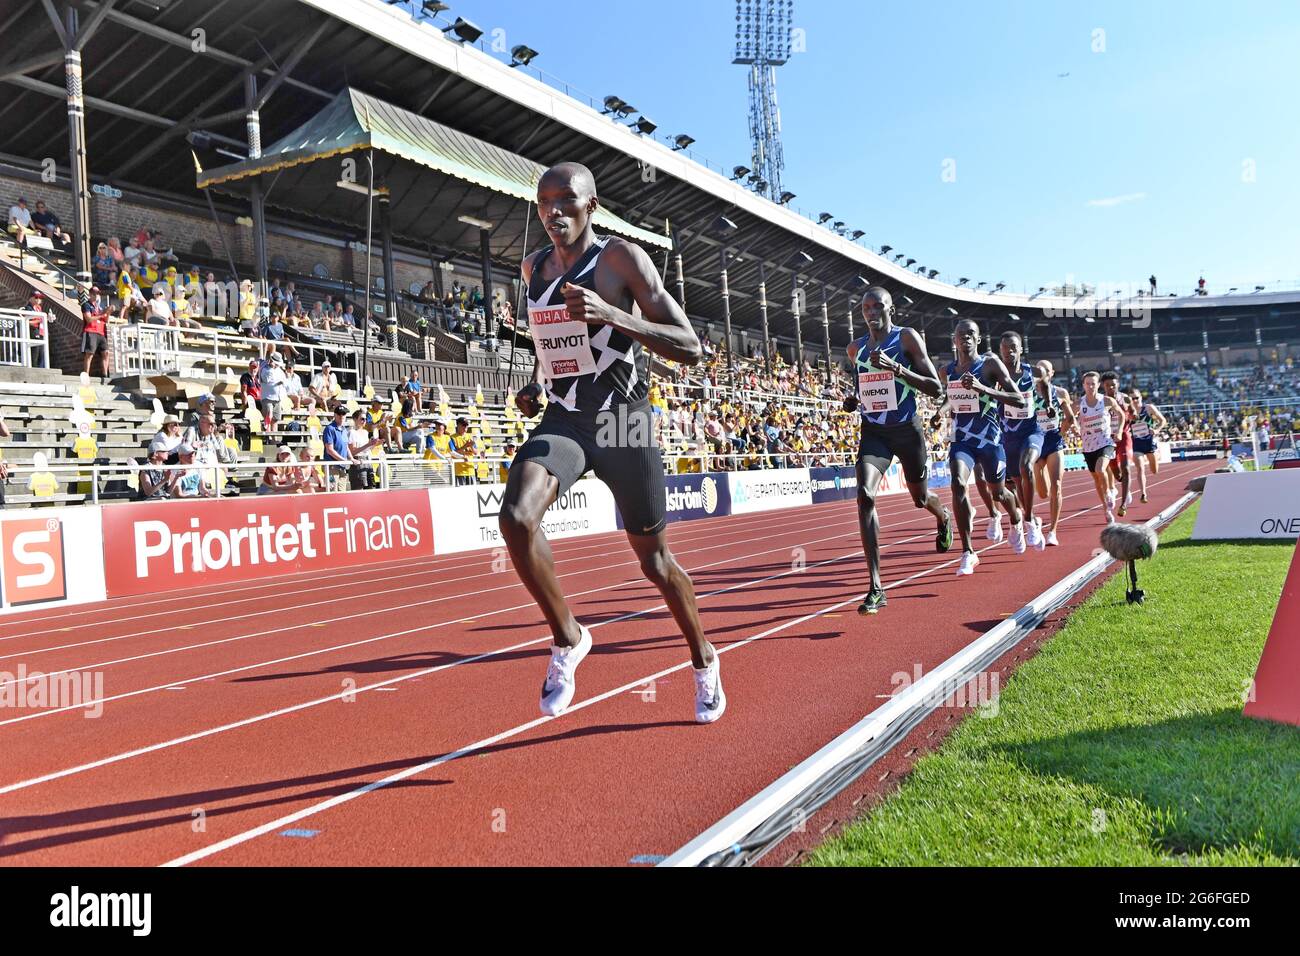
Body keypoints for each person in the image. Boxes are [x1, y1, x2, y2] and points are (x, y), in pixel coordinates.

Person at [501, 162, 722, 723]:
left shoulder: (620, 259)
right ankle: (568, 638)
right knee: (517, 517)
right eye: (544, 201)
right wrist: (537, 384)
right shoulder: (533, 268)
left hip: (623, 423)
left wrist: (614, 315)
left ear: (591, 205)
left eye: (566, 201)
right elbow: (556, 346)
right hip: (568, 418)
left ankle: (703, 660)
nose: (553, 212)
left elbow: (690, 346)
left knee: (656, 563)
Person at [842, 286, 951, 615]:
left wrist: (898, 368)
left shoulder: (907, 339)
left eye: (878, 306)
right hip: (874, 432)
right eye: (866, 307)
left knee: (919, 498)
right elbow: (865, 386)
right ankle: (876, 586)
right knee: (865, 494)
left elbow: (935, 388)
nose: (871, 312)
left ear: (890, 309)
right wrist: (853, 399)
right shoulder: (854, 349)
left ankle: (943, 516)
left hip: (907, 431)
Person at [933, 320, 1027, 575]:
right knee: (958, 484)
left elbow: (1018, 399)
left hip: (990, 440)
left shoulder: (989, 364)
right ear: (954, 340)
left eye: (971, 334)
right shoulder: (948, 370)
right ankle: (967, 551)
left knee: (998, 494)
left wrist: (982, 387)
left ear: (978, 339)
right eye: (960, 334)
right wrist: (940, 413)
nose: (965, 337)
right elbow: (950, 399)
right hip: (962, 439)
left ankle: (1016, 520)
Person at [997, 332, 1047, 550]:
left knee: (1027, 467)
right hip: (1008, 436)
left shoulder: (1032, 372)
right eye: (1005, 347)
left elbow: (1045, 383)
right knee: (1016, 482)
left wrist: (1048, 401)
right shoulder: (994, 374)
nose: (1009, 351)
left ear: (1020, 349)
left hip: (1031, 431)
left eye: (1013, 347)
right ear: (1000, 350)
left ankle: (1028, 520)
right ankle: (1029, 518)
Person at [1030, 360, 1076, 546]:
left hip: (1054, 441)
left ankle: (1052, 531)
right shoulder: (1030, 392)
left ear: (1052, 373)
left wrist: (1061, 432)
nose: (1042, 373)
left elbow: (1070, 417)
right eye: (1039, 370)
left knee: (1056, 485)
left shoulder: (1060, 393)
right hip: (1035, 441)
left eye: (1046, 370)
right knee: (1042, 493)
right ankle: (1039, 522)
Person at [1077, 371, 1125, 523]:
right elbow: (1068, 417)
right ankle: (1106, 509)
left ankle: (1110, 491)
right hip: (1087, 445)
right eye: (1087, 384)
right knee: (1096, 480)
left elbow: (1121, 415)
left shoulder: (1106, 401)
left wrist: (1119, 432)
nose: (1090, 386)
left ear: (1098, 385)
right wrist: (1071, 427)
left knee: (1100, 469)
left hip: (1105, 441)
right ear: (1083, 385)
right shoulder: (1079, 403)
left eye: (1093, 383)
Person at [1100, 371, 1135, 515]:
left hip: (1124, 436)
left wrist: (1133, 415)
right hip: (1109, 439)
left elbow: (1133, 412)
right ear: (1103, 386)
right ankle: (1125, 487)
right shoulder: (1100, 401)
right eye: (1107, 385)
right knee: (1117, 474)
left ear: (1118, 385)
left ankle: (1123, 503)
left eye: (1113, 385)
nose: (1111, 388)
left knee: (1126, 468)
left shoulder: (1125, 398)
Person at [1128, 387, 1167, 503]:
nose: (1135, 401)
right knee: (1140, 468)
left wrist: (1157, 430)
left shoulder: (1149, 408)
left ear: (1141, 397)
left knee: (1154, 470)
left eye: (1136, 398)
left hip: (1149, 442)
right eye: (1132, 399)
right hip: (1137, 444)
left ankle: (1156, 455)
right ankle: (1143, 493)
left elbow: (1163, 420)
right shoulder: (1128, 412)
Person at [347, 409, 381, 490]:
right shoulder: (351, 432)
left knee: (371, 488)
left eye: (365, 419)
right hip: (358, 462)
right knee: (359, 489)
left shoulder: (365, 432)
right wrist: (368, 444)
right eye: (362, 419)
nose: (364, 421)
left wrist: (374, 444)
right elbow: (352, 452)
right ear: (355, 419)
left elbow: (366, 449)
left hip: (367, 460)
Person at [81, 288, 111, 377]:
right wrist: (101, 315)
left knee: (106, 353)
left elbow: (106, 321)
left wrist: (108, 312)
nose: (96, 296)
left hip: (101, 332)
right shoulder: (86, 305)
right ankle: (86, 374)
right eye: (94, 294)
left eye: (97, 294)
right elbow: (89, 319)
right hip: (90, 331)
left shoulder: (99, 307)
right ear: (90, 294)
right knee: (89, 354)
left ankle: (105, 374)